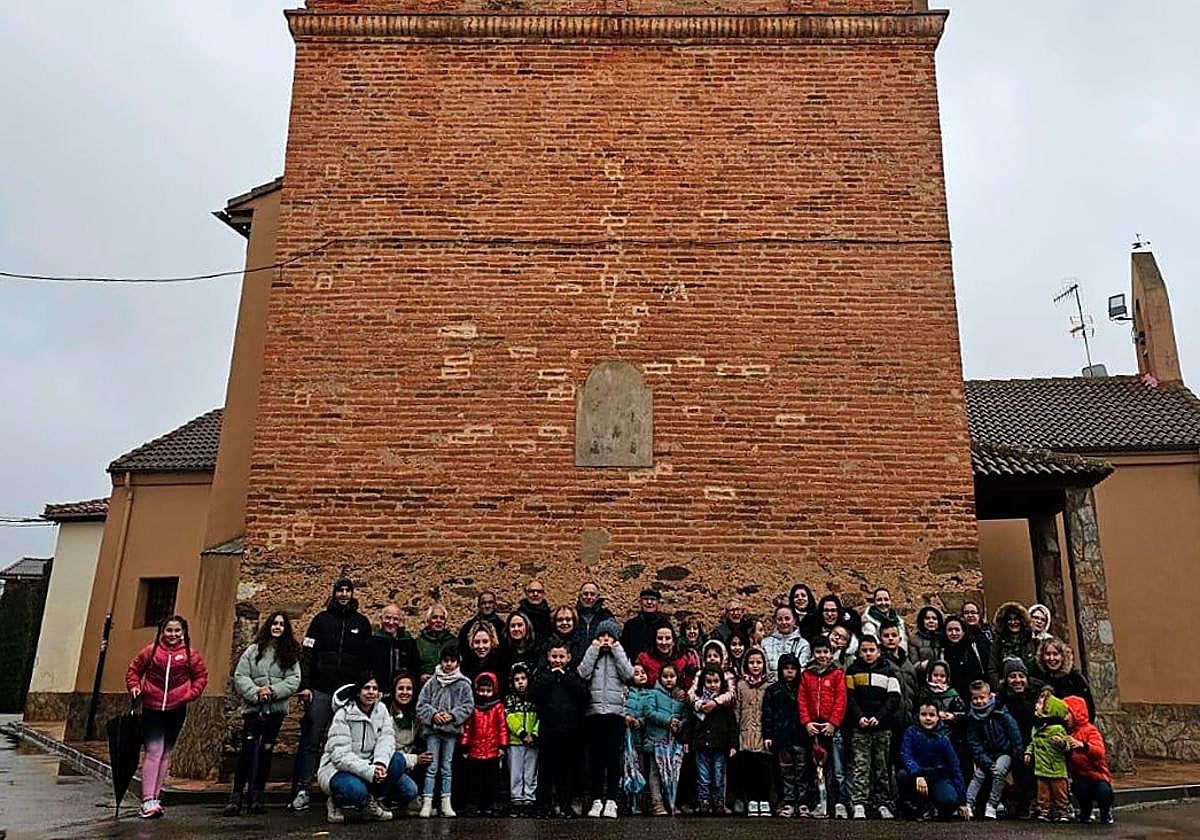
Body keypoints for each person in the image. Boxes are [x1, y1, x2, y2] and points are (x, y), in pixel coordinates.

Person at [289, 577, 373, 811]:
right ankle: (303, 789)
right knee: (312, 740)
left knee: (347, 743)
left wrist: (361, 690)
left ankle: (345, 791)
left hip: (348, 694)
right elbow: (307, 654)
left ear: (352, 594)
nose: (344, 594)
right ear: (334, 593)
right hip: (320, 690)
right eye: (340, 590)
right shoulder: (320, 620)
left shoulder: (362, 623)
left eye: (347, 590)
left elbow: (366, 660)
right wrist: (305, 685)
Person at [126, 614, 208, 819]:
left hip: (176, 709)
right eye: (169, 630)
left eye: (177, 630)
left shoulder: (190, 654)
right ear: (162, 632)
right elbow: (134, 670)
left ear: (183, 632)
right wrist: (135, 687)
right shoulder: (150, 651)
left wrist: (190, 694)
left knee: (165, 753)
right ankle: (147, 800)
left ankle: (156, 798)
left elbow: (201, 676)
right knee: (153, 751)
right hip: (152, 708)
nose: (173, 634)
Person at [226, 611, 301, 816]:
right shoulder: (253, 651)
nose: (277, 627)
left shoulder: (289, 654)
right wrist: (256, 692)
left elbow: (293, 680)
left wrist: (273, 691)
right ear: (269, 626)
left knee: (266, 750)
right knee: (247, 751)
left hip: (275, 711)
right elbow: (241, 675)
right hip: (254, 709)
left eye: (281, 624)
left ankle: (257, 795)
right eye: (275, 623)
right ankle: (236, 796)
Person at [319, 673, 411, 823]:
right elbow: (340, 757)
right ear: (358, 692)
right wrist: (370, 771)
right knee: (356, 791)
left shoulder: (381, 709)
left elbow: (387, 739)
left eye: (374, 688)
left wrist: (380, 763)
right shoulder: (343, 714)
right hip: (340, 770)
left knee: (404, 776)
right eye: (366, 688)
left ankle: (372, 802)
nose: (371, 692)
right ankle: (336, 802)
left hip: (371, 765)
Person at [578, 618, 634, 818]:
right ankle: (596, 799)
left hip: (614, 713)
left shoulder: (619, 653)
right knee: (595, 759)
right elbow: (583, 672)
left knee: (612, 759)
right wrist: (594, 650)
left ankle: (612, 800)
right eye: (602, 636)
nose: (605, 640)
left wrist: (617, 650)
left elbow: (628, 674)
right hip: (594, 712)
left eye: (609, 636)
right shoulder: (593, 653)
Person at [531, 641, 590, 817]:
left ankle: (565, 804)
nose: (558, 660)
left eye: (561, 657)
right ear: (548, 657)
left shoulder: (573, 675)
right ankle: (543, 805)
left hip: (569, 730)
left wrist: (565, 678)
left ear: (568, 657)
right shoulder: (543, 675)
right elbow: (534, 694)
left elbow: (584, 696)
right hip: (548, 729)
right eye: (554, 656)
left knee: (566, 770)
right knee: (545, 770)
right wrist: (551, 676)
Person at [844, 635, 900, 820]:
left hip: (882, 728)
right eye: (864, 650)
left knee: (881, 766)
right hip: (860, 728)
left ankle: (882, 802)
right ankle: (859, 802)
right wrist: (859, 717)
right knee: (860, 766)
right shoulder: (852, 671)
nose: (868, 654)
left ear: (878, 651)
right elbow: (850, 697)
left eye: (871, 650)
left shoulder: (889, 671)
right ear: (859, 652)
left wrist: (879, 717)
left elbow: (893, 698)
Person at [415, 646, 474, 817]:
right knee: (432, 766)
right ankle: (427, 802)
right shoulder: (432, 682)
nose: (449, 664)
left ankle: (446, 803)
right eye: (446, 661)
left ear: (458, 663)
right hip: (433, 730)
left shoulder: (464, 684)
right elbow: (421, 704)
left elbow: (468, 705)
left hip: (451, 732)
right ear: (440, 662)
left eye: (452, 661)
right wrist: (433, 715)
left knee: (446, 767)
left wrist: (453, 716)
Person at [797, 635, 848, 819]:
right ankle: (821, 802)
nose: (822, 655)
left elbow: (841, 700)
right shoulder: (807, 674)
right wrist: (807, 722)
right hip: (814, 727)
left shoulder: (837, 673)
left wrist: (833, 723)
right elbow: (802, 700)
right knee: (818, 768)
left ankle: (840, 803)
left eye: (825, 651)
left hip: (832, 727)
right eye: (818, 652)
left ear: (831, 652)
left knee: (837, 768)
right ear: (813, 653)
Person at [897, 700, 969, 821]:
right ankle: (916, 805)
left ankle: (936, 805)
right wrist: (917, 774)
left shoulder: (944, 738)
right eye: (923, 714)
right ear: (918, 715)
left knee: (950, 801)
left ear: (938, 717)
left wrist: (962, 801)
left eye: (931, 715)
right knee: (902, 775)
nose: (928, 718)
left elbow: (955, 767)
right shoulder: (911, 732)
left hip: (938, 776)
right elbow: (906, 755)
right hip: (917, 775)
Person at [682, 664, 737, 815]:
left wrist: (733, 745)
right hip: (700, 745)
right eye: (709, 681)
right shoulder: (698, 703)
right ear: (703, 683)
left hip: (720, 745)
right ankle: (704, 802)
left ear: (721, 682)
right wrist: (687, 741)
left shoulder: (724, 704)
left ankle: (719, 802)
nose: (712, 685)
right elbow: (690, 723)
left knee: (719, 776)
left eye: (716, 681)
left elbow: (732, 726)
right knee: (703, 776)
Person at [964, 678, 1021, 820]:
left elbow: (1015, 735)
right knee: (979, 775)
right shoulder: (973, 717)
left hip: (1004, 752)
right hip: (986, 754)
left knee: (999, 771)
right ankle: (968, 803)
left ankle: (992, 804)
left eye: (982, 698)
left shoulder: (1001, 713)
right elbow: (974, 742)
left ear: (989, 696)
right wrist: (985, 761)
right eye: (975, 698)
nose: (979, 701)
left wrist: (1016, 757)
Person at [996, 657, 1044, 818]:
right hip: (1010, 745)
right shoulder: (1000, 700)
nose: (1017, 680)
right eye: (1012, 676)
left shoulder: (1037, 697)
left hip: (1033, 744)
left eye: (1021, 676)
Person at [641, 663, 685, 815]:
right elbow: (649, 712)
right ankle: (656, 802)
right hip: (656, 741)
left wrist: (679, 724)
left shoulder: (680, 697)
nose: (669, 679)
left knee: (672, 773)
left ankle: (671, 802)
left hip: (673, 743)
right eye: (665, 676)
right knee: (655, 772)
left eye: (672, 676)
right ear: (660, 678)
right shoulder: (653, 694)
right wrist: (668, 721)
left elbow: (685, 715)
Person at [460, 672, 507, 816]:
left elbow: (502, 727)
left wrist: (502, 746)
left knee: (493, 780)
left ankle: (493, 804)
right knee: (474, 781)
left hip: (492, 750)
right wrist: (465, 746)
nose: (485, 694)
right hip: (475, 750)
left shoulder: (498, 707)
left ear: (494, 690)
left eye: (488, 690)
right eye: (481, 690)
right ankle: (473, 805)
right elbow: (467, 727)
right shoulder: (473, 707)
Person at [762, 652, 803, 817]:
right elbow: (767, 714)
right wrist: (768, 735)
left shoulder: (803, 688)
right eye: (786, 668)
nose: (790, 672)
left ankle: (803, 803)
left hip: (800, 736)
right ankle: (788, 802)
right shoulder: (773, 690)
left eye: (793, 668)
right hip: (781, 736)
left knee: (802, 771)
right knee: (785, 772)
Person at [734, 648, 773, 817]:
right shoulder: (741, 685)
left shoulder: (769, 686)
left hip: (763, 733)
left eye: (758, 662)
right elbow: (737, 710)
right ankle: (751, 800)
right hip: (745, 733)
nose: (755, 666)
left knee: (763, 769)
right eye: (751, 663)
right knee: (747, 769)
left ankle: (764, 799)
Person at [1063, 694, 1114, 824]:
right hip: (1080, 775)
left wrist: (1083, 745)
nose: (1065, 717)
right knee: (1080, 788)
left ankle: (1106, 812)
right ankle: (1085, 812)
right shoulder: (1066, 732)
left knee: (1103, 791)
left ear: (1076, 713)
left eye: (1067, 713)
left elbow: (1099, 752)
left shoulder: (1090, 731)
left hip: (1097, 774)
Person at [1025, 687, 1071, 822]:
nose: (1036, 705)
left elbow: (1067, 746)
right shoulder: (1037, 726)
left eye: (1040, 704)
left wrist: (1062, 743)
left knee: (1059, 791)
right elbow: (1034, 742)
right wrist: (1029, 752)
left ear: (1048, 710)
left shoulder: (1057, 728)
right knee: (1043, 792)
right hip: (1041, 767)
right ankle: (1044, 809)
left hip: (1056, 768)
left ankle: (1062, 810)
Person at [388, 672, 432, 806]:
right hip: (390, 762)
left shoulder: (416, 714)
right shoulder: (384, 712)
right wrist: (414, 759)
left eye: (409, 689)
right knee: (408, 789)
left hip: (409, 761)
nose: (405, 692)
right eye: (401, 688)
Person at [505, 663, 540, 817]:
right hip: (515, 741)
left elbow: (540, 717)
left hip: (533, 742)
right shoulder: (510, 699)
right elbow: (509, 718)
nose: (520, 682)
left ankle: (529, 798)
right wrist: (522, 733)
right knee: (516, 771)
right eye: (517, 679)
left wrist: (534, 734)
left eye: (523, 678)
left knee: (531, 771)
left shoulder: (535, 698)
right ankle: (516, 799)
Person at [1035, 637, 1096, 723]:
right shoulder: (1039, 676)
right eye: (1048, 654)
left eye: (1055, 654)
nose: (1051, 658)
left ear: (1063, 656)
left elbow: (1089, 708)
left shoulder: (1075, 678)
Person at [370, 602, 419, 697]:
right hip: (379, 693)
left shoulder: (408, 643)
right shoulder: (372, 642)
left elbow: (415, 669)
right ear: (381, 619)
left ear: (400, 621)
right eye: (388, 618)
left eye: (395, 619)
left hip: (402, 694)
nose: (391, 622)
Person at [988, 602, 1036, 686]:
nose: (1013, 622)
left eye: (1016, 619)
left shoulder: (1031, 642)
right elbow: (992, 669)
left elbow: (1036, 668)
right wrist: (999, 687)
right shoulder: (998, 642)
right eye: (1009, 619)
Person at [636, 624, 697, 690]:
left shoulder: (686, 658)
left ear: (673, 641)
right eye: (660, 638)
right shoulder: (644, 658)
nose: (664, 642)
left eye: (668, 638)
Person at [620, 587, 672, 662]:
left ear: (658, 602)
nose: (649, 602)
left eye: (653, 599)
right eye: (645, 599)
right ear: (640, 602)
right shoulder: (631, 625)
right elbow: (624, 650)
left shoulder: (665, 624)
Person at [941, 616, 985, 699]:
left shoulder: (973, 648)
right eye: (950, 630)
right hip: (950, 697)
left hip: (975, 697)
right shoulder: (942, 651)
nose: (954, 633)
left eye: (957, 630)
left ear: (963, 632)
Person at [762, 604, 811, 677]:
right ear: (775, 621)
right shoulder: (765, 643)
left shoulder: (803, 644)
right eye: (780, 619)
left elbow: (802, 669)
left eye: (787, 618)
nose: (784, 622)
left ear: (794, 620)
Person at [457, 592, 507, 657]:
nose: (487, 605)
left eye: (490, 602)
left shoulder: (502, 627)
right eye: (483, 603)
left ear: (495, 605)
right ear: (478, 605)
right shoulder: (467, 627)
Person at [461, 621, 507, 691]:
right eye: (477, 642)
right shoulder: (465, 667)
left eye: (485, 642)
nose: (481, 646)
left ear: (492, 642)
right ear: (472, 643)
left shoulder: (501, 665)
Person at [415, 603, 456, 681]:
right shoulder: (419, 642)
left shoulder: (453, 642)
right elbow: (413, 667)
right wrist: (420, 675)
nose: (438, 621)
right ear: (428, 620)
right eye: (435, 617)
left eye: (442, 618)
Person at [910, 606, 945, 679]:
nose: (931, 621)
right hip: (922, 679)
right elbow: (913, 666)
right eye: (927, 618)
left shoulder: (943, 639)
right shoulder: (914, 640)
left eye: (934, 619)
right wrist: (925, 665)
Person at [546, 605, 586, 669]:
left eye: (568, 619)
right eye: (560, 620)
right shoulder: (547, 643)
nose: (564, 623)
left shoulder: (581, 643)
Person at [505, 610, 542, 678]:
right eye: (513, 626)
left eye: (520, 625)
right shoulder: (504, 651)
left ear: (527, 627)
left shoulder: (538, 649)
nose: (516, 629)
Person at [960, 600, 994, 667]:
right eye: (966, 613)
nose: (970, 615)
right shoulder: (960, 636)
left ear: (979, 615)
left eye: (973, 612)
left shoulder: (988, 634)